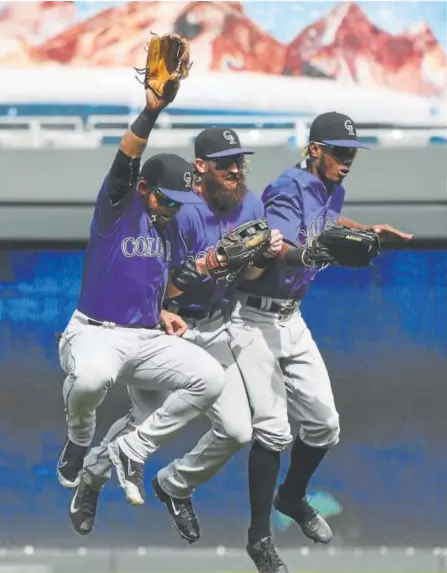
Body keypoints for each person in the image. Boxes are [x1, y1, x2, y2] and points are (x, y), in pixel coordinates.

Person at [67, 126, 282, 539]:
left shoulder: (250, 203)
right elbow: (159, 286)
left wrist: (265, 259)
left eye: (241, 162)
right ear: (201, 167)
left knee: (238, 430)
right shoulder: (174, 210)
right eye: (226, 164)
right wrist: (209, 264)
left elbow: (250, 276)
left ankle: (174, 485)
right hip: (172, 326)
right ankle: (92, 479)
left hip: (217, 325)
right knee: (145, 420)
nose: (237, 170)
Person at [225, 111, 413, 572]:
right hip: (251, 317)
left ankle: (291, 496)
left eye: (351, 153)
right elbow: (278, 243)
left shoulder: (331, 188)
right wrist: (307, 252)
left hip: (292, 318)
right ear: (315, 150)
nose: (347, 160)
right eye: (338, 152)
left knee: (325, 425)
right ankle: (259, 540)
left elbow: (323, 220)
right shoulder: (288, 187)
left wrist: (364, 230)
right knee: (273, 430)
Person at [57, 71, 225, 497]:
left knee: (210, 378)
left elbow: (157, 283)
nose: (174, 208)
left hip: (145, 337)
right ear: (145, 188)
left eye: (181, 201)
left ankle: (134, 448)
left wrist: (165, 309)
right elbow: (125, 158)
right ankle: (80, 436)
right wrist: (151, 111)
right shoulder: (118, 207)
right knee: (92, 379)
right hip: (96, 333)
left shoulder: (168, 227)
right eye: (167, 199)